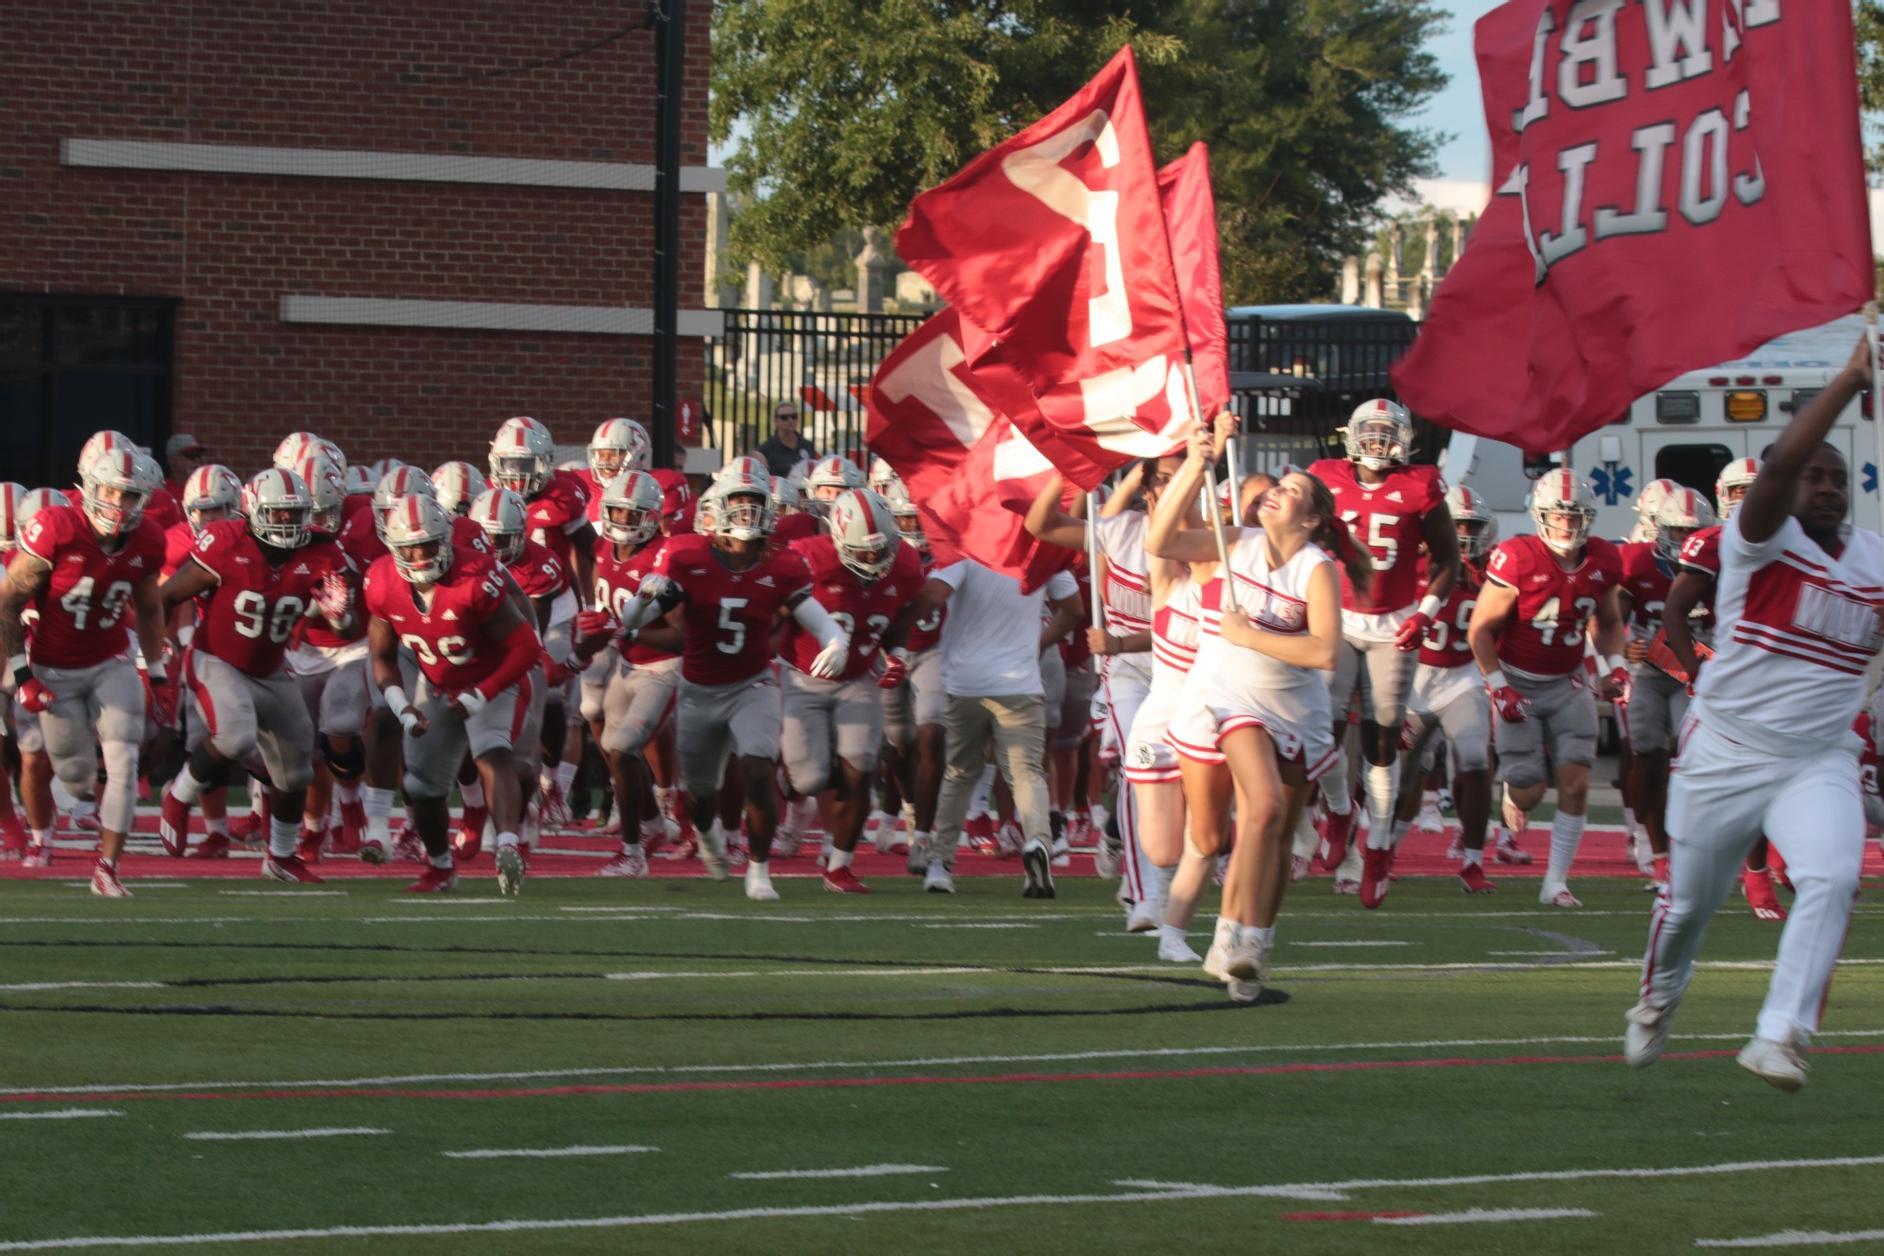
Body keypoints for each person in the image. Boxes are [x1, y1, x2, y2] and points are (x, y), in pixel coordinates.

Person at [1626, 336, 1878, 1092]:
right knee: (1687, 910)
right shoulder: (1757, 543)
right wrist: (1849, 381)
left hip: (1817, 756)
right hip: (1728, 748)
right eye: (1813, 475)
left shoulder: (1872, 558)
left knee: (1834, 878)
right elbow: (1775, 473)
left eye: (1838, 478)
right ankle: (1658, 999)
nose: (1827, 487)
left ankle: (1780, 1034)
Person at [1150, 415, 1355, 1002]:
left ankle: (1250, 945)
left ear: (1311, 520)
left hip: (1295, 707)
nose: (1276, 493)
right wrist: (1196, 462)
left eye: (1292, 492)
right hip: (1232, 699)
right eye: (1277, 487)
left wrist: (1250, 635)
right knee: (1260, 806)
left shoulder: (1317, 568)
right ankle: (1231, 934)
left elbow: (1323, 652)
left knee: (1281, 830)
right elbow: (1160, 542)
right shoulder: (1234, 543)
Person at [613, 457, 850, 900]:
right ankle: (707, 836)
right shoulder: (687, 557)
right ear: (718, 508)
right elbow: (633, 617)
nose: (747, 511)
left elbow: (818, 618)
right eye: (738, 502)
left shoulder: (783, 566)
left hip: (752, 684)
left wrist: (835, 641)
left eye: (755, 502)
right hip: (699, 690)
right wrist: (643, 599)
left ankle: (758, 871)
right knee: (702, 795)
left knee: (758, 767)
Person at [157, 467, 357, 884]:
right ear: (254, 512)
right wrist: (154, 654)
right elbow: (168, 594)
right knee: (234, 736)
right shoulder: (226, 542)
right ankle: (177, 796)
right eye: (279, 513)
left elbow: (345, 624)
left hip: (271, 671)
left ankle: (280, 857)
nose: (288, 522)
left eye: (296, 513)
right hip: (217, 660)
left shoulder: (321, 551)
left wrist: (339, 615)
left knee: (296, 768)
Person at [0, 446, 170, 896]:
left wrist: (156, 672)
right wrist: (23, 675)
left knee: (124, 757)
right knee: (75, 776)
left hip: (111, 660)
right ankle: (71, 804)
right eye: (111, 491)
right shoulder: (56, 527)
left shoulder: (150, 538)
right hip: (55, 667)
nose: (118, 503)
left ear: (145, 498)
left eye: (130, 495)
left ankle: (107, 869)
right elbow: (9, 602)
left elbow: (151, 610)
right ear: (89, 488)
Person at [1306, 400, 1458, 901]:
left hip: (1394, 621)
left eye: (1386, 433)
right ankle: (1340, 814)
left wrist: (1425, 612)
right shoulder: (1324, 476)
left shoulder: (1421, 484)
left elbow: (1447, 560)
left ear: (1406, 438)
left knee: (1382, 738)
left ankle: (1376, 846)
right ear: (1349, 435)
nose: (1376, 442)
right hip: (1339, 616)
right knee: (1321, 726)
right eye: (1368, 432)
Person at [1025, 457, 1179, 929]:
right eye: (1164, 480)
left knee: (1186, 781)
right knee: (1141, 766)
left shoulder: (1208, 542)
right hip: (1130, 673)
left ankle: (1137, 850)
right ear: (1147, 487)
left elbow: (1183, 628)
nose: (1175, 489)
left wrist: (1120, 639)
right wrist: (1074, 471)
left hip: (1183, 672)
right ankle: (1142, 888)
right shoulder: (1122, 530)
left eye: (1184, 479)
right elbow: (1042, 523)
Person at [364, 494, 545, 895]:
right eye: (410, 547)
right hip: (438, 683)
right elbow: (381, 655)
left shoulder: (474, 577)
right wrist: (401, 705)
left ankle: (508, 845)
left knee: (491, 751)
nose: (421, 555)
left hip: (494, 675)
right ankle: (441, 867)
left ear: (446, 540)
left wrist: (482, 694)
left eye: (429, 544)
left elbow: (526, 648)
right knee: (422, 787)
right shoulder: (381, 581)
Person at [1467, 468, 1626, 907]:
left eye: (1574, 517)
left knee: (1575, 780)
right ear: (1539, 516)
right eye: (1557, 516)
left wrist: (1614, 666)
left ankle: (1555, 880)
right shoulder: (1517, 557)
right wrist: (1498, 686)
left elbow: (1608, 621)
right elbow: (1480, 631)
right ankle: (1513, 796)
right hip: (1516, 679)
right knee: (1529, 788)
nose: (1566, 525)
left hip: (1569, 680)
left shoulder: (1604, 560)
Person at [909, 546, 1082, 898]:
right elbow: (1074, 609)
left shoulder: (966, 549)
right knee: (1027, 773)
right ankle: (1037, 842)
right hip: (1019, 681)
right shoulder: (1037, 549)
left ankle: (941, 863)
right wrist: (1037, 643)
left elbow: (935, 595)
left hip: (966, 681)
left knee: (959, 773)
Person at [778, 487, 924, 893]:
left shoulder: (906, 563)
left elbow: (901, 616)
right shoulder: (807, 558)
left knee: (861, 768)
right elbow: (773, 609)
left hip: (859, 677)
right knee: (808, 779)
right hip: (802, 676)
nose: (875, 561)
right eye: (864, 552)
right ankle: (802, 803)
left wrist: (895, 654)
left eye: (882, 551)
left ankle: (839, 866)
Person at [1661, 457, 1788, 919]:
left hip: (1784, 669)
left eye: (1755, 489)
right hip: (1729, 670)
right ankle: (1751, 869)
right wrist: (1695, 672)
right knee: (1718, 777)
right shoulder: (1711, 543)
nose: (1747, 500)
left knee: (1786, 772)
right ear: (1722, 497)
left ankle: (1775, 858)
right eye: (1738, 492)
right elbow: (1674, 614)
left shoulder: (1794, 540)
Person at [1397, 485, 1498, 895]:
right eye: (1455, 525)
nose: (1463, 534)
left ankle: (1473, 863)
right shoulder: (1414, 565)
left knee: (1475, 762)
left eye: (1471, 525)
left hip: (1462, 677)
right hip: (1413, 679)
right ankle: (1381, 852)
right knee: (1402, 776)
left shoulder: (1496, 568)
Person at [1616, 487, 1716, 891]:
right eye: (1675, 531)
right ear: (1658, 530)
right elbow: (1609, 622)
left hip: (1703, 671)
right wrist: (1624, 646)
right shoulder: (1637, 562)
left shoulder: (1721, 564)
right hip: (1654, 676)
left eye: (1692, 533)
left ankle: (1695, 849)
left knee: (1694, 765)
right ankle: (1658, 855)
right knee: (1647, 758)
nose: (1682, 541)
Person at [588, 469, 683, 877]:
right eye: (617, 513)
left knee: (625, 750)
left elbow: (680, 635)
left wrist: (629, 629)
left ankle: (632, 852)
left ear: (651, 516)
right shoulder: (600, 550)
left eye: (632, 515)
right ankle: (654, 824)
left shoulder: (664, 558)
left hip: (662, 669)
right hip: (625, 664)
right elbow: (602, 609)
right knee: (615, 752)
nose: (622, 522)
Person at [758, 403, 817, 479]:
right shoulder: (766, 448)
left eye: (794, 416)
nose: (790, 420)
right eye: (784, 417)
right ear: (776, 421)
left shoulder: (807, 445)